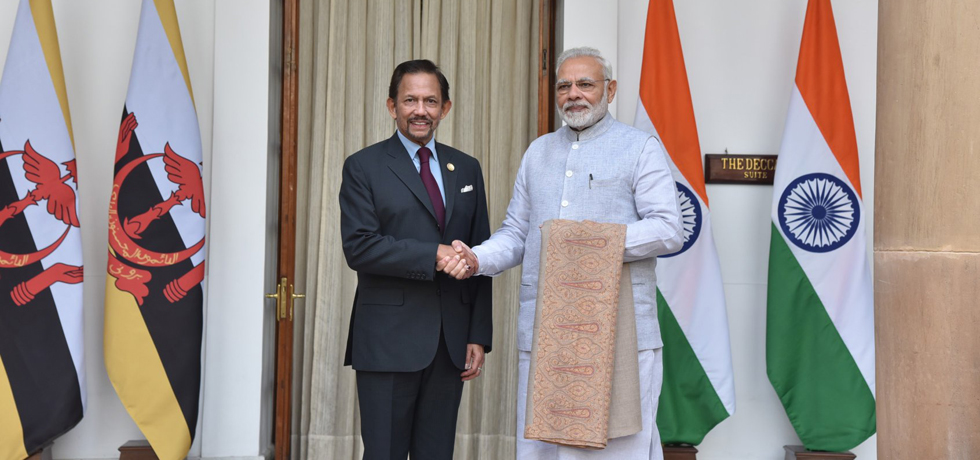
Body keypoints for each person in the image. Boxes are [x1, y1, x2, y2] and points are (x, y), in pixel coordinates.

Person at [440, 47, 682, 459]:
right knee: (541, 449)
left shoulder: (640, 148)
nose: (574, 94)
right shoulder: (539, 152)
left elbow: (668, 229)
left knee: (616, 449)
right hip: (545, 327)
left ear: (610, 89)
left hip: (618, 330)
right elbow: (517, 233)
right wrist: (477, 258)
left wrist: (586, 244)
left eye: (585, 84)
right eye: (564, 85)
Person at [340, 59, 493, 460]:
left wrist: (478, 333)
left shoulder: (468, 169)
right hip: (387, 341)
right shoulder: (363, 166)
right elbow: (359, 246)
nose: (420, 110)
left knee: (436, 453)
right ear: (392, 106)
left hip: (450, 343)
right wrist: (435, 254)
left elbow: (480, 254)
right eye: (410, 100)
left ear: (446, 108)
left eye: (430, 100)